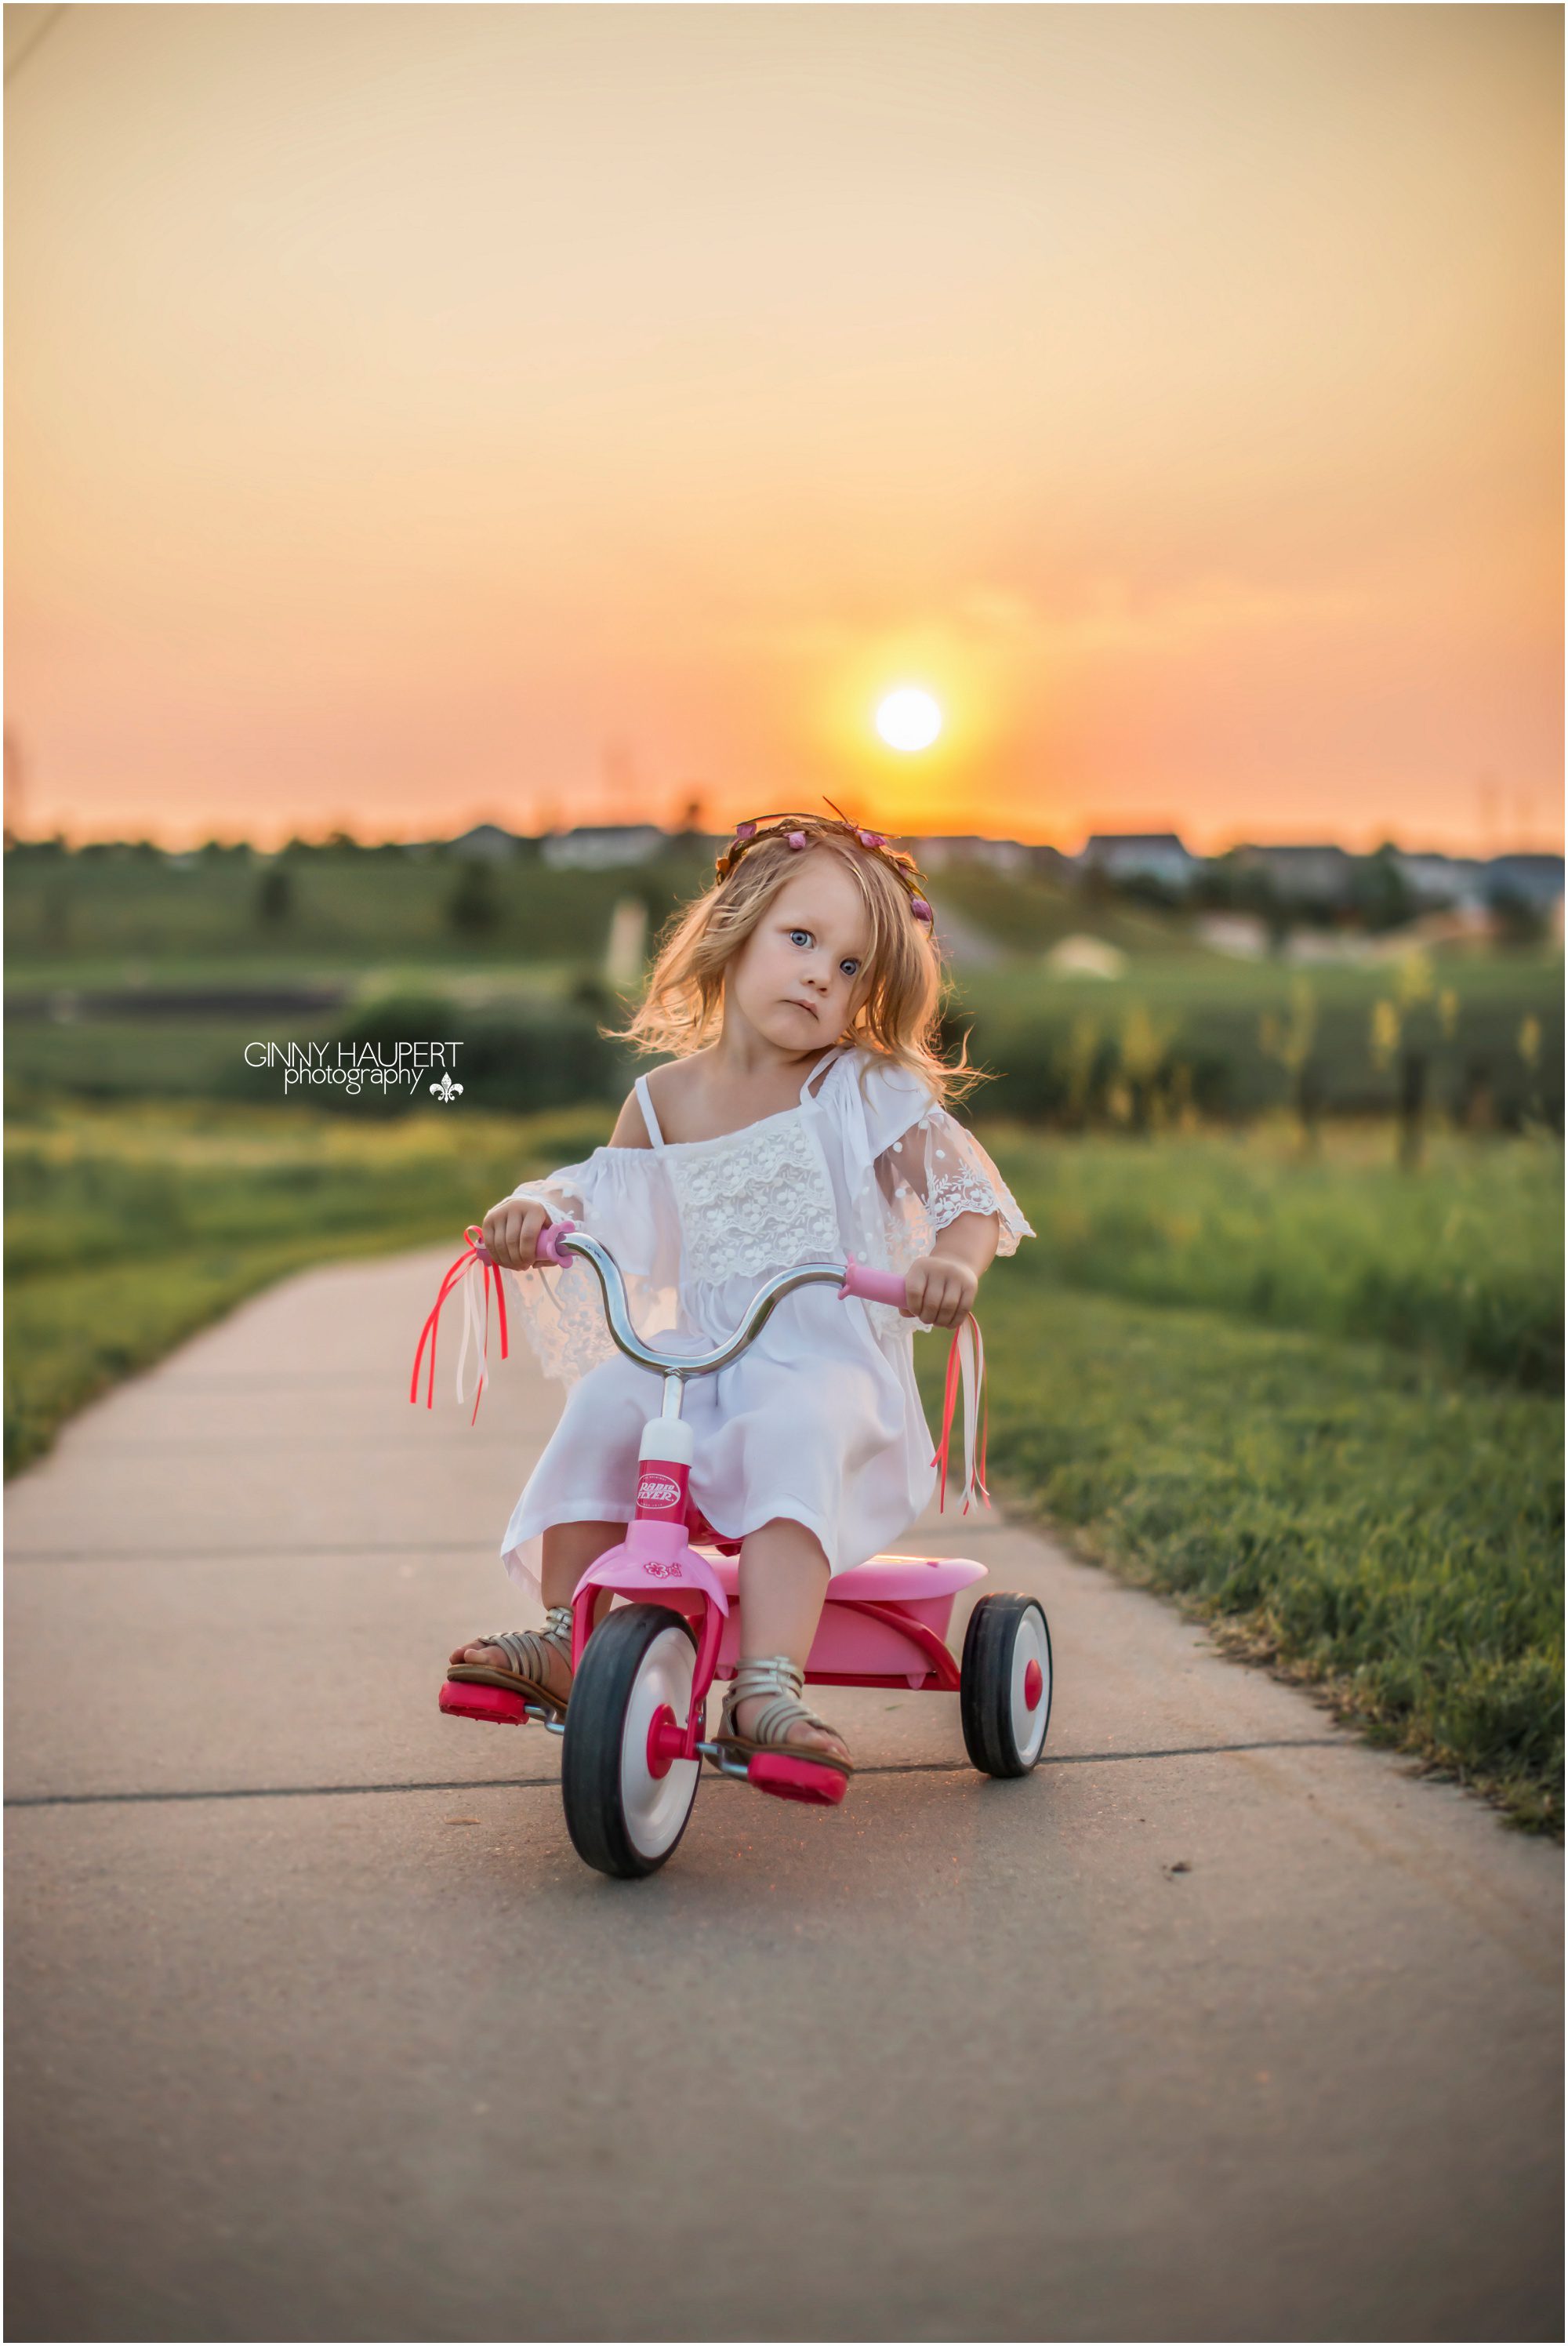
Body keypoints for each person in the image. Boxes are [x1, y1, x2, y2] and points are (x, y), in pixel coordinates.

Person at [445, 811, 1033, 1779]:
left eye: (850, 969)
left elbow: (964, 1191)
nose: (819, 975)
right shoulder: (661, 1101)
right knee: (605, 1399)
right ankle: (562, 1634)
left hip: (821, 1361)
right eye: (800, 941)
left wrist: (953, 1265)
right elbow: (598, 1190)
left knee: (794, 1422)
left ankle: (765, 1682)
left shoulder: (860, 1089)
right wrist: (532, 1206)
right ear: (736, 931)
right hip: (700, 1359)